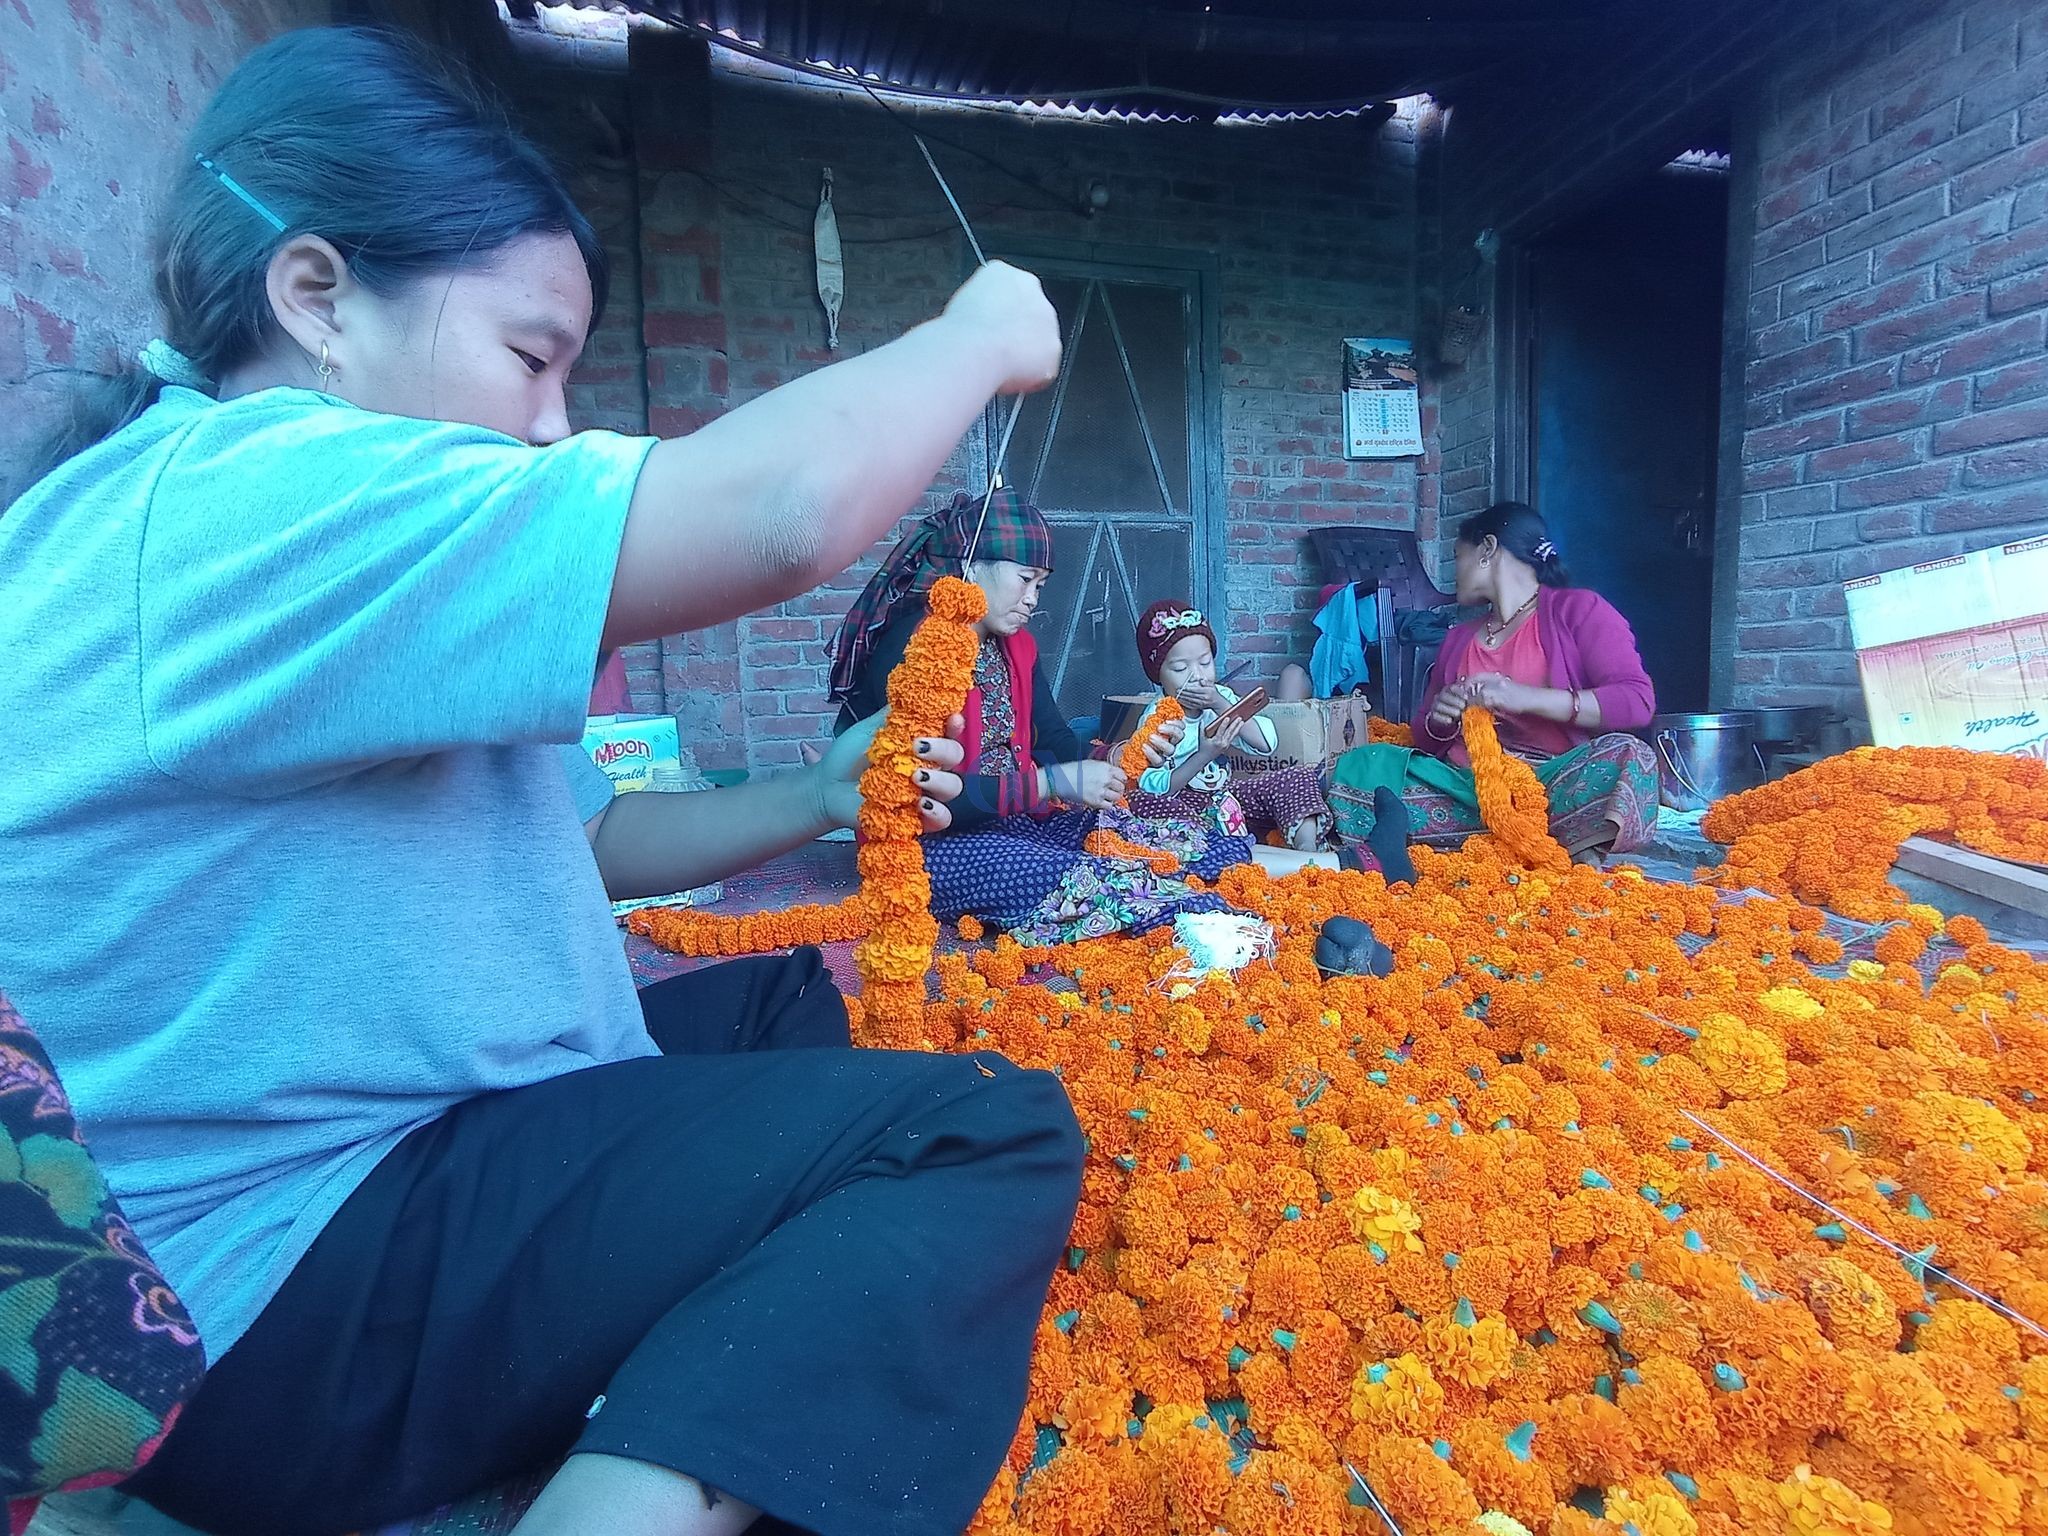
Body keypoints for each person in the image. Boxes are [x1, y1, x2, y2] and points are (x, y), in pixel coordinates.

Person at [0, 27, 1082, 1536]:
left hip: (370, 1198)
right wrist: (975, 336)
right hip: (265, 1318)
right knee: (979, 1129)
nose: (552, 419)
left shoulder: (295, 546)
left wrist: (821, 797)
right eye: (529, 356)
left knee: (774, 1010)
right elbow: (782, 511)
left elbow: (597, 838)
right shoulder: (258, 492)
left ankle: (664, 1374)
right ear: (314, 298)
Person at [830, 492, 1245, 945]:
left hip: (1018, 819)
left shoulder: (1018, 647)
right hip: (934, 845)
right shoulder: (919, 652)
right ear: (971, 567)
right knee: (1105, 881)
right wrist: (1052, 784)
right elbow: (922, 797)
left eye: (1041, 586)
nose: (1032, 599)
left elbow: (1055, 740)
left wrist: (1122, 756)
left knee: (1191, 844)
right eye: (1025, 580)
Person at [1329, 500, 1660, 867]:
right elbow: (1424, 736)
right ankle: (1543, 840)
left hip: (1550, 785)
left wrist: (1525, 698)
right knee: (1366, 762)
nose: (1455, 571)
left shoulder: (1578, 610)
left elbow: (1636, 701)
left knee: (1632, 757)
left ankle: (1493, 838)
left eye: (1458, 556)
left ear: (1487, 549)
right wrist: (1442, 718)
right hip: (1464, 789)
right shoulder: (1458, 638)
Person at [1126, 600, 1333, 852]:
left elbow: (1267, 743)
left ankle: (1306, 849)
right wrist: (1204, 755)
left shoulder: (1221, 696)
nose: (1197, 676)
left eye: (1204, 663)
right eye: (1181, 668)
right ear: (1158, 674)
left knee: (1298, 777)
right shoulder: (1158, 719)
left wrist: (1219, 703)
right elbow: (1153, 788)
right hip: (1186, 810)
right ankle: (1240, 853)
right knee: (1143, 804)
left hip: (1226, 799)